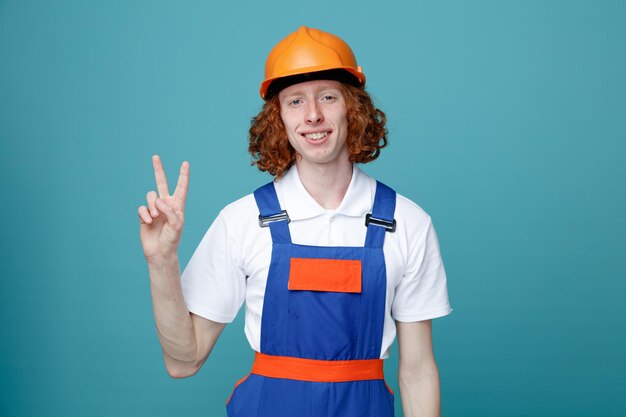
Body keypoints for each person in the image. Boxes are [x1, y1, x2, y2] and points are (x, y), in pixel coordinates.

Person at [138, 26, 452, 417]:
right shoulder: (243, 221)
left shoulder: (406, 222)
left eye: (328, 97)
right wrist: (161, 260)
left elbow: (418, 372)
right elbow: (182, 361)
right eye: (295, 101)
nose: (313, 115)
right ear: (279, 119)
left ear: (352, 109)